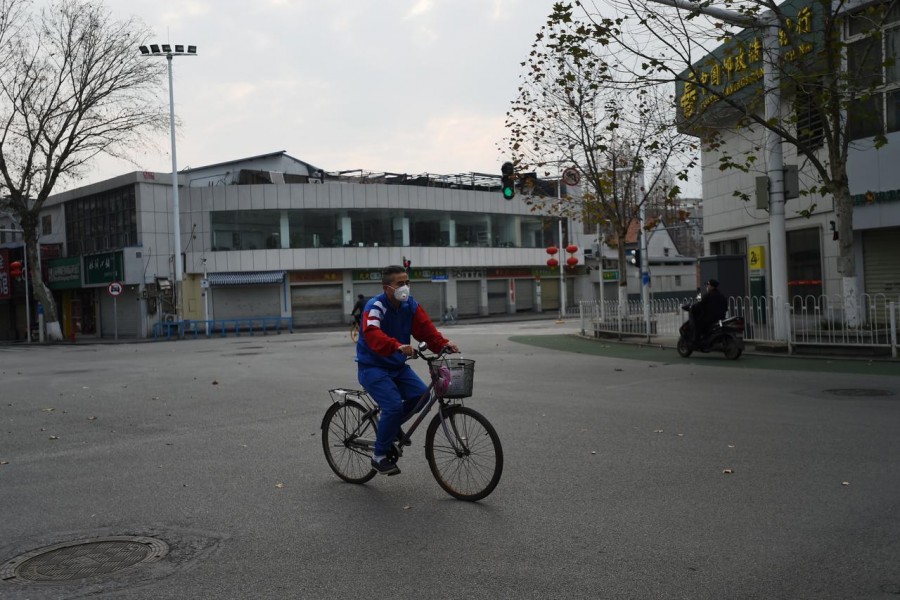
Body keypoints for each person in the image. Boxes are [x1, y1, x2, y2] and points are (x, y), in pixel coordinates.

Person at [356, 265, 459, 475]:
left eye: (407, 282)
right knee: (393, 406)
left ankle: (390, 427)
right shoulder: (375, 306)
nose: (405, 287)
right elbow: (372, 333)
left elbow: (426, 330)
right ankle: (378, 456)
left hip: (396, 365)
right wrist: (396, 345)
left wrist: (442, 344)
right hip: (372, 367)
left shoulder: (410, 305)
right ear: (387, 288)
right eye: (400, 284)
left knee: (421, 396)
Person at [690, 278, 728, 345]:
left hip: (710, 319)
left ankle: (696, 341)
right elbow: (726, 307)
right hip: (721, 318)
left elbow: (699, 305)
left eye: (708, 285)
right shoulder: (722, 296)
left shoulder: (707, 296)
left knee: (698, 323)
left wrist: (693, 307)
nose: (707, 287)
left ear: (711, 286)